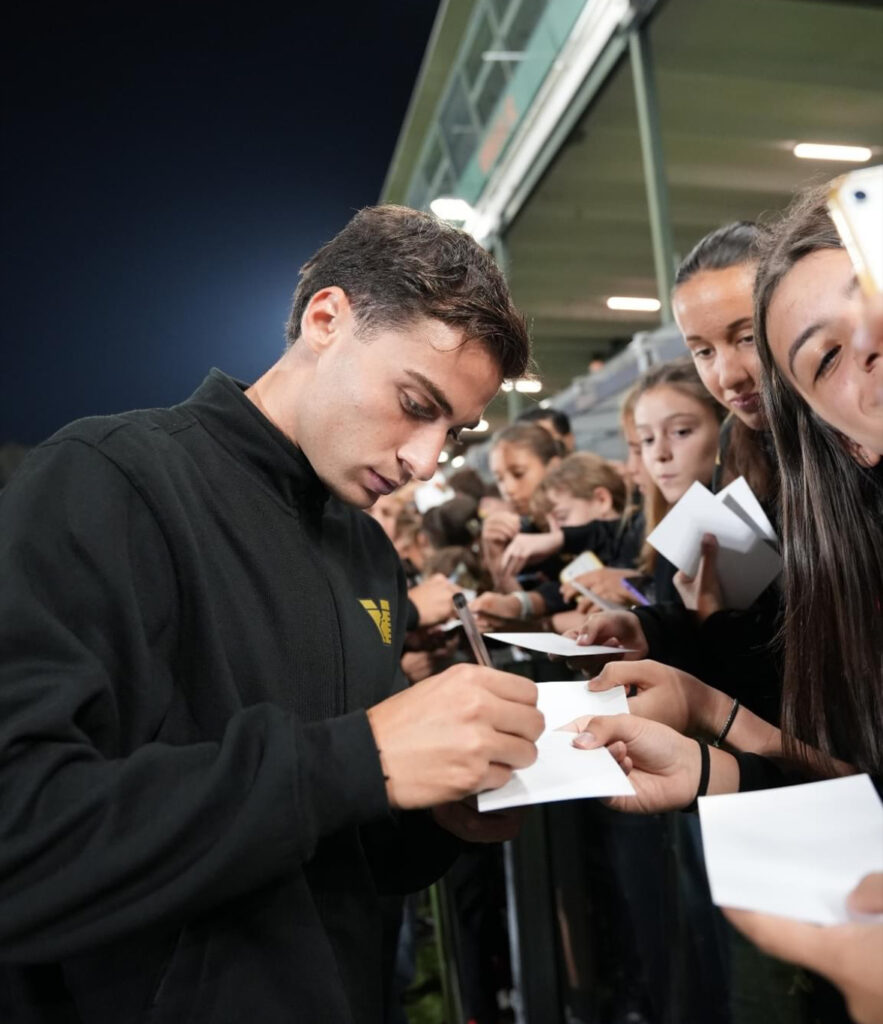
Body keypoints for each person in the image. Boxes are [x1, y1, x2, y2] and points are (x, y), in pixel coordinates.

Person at [0, 205, 546, 1024]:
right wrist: (359, 759)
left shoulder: (367, 553)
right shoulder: (108, 481)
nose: (425, 459)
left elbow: (334, 842)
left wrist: (440, 816)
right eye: (413, 401)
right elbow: (24, 836)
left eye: (453, 433)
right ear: (326, 319)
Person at [566, 183, 883, 1022]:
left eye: (746, 339)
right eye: (702, 349)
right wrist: (663, 634)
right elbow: (849, 753)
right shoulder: (751, 471)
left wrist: (712, 685)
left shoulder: (835, 474)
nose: (731, 372)